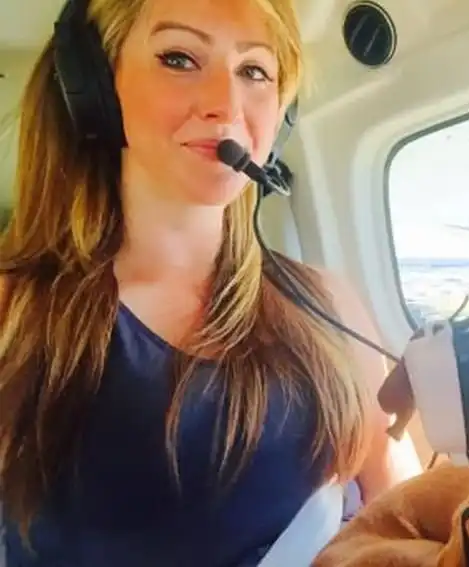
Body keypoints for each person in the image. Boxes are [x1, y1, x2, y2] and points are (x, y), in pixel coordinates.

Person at [0, 0, 422, 565]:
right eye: (178, 58)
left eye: (255, 71)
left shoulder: (327, 303)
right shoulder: (14, 310)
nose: (226, 104)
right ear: (95, 86)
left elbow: (399, 505)